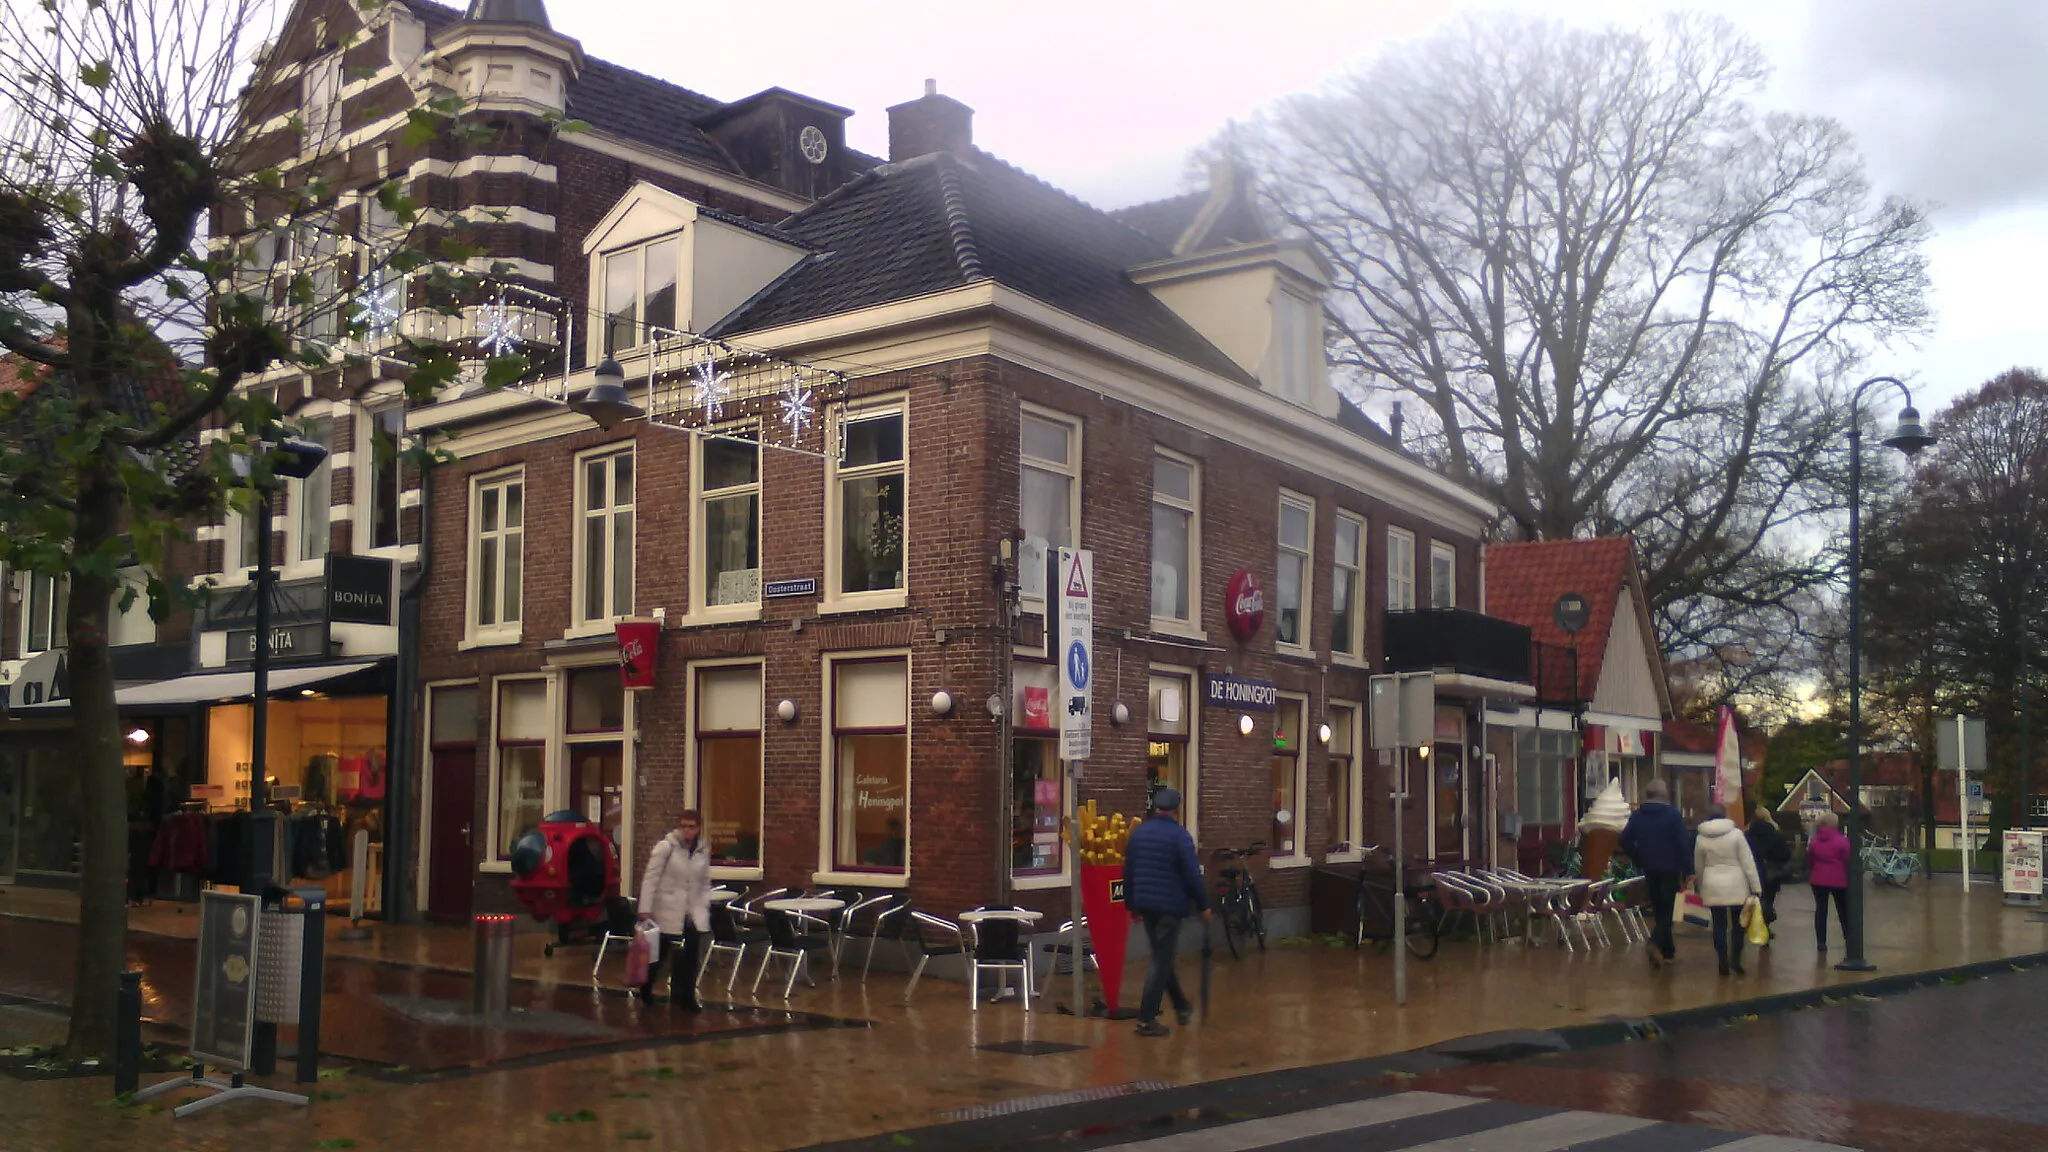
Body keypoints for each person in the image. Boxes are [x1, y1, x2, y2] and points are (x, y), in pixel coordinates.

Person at [1120, 787, 1209, 1037]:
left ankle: (1181, 1007)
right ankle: (1146, 1019)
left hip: (1145, 905)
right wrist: (1204, 904)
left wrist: (1131, 905)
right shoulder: (1180, 836)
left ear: (1155, 807)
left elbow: (1128, 871)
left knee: (1162, 955)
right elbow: (1191, 874)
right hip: (1170, 906)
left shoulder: (1138, 834)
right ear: (1176, 810)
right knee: (1161, 960)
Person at [636, 808, 713, 1009]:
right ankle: (646, 985)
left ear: (699, 828)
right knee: (659, 954)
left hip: (691, 911)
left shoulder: (702, 850)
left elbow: (704, 881)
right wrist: (645, 908)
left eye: (692, 827)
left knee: (691, 956)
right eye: (684, 826)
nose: (687, 830)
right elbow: (651, 878)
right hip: (667, 910)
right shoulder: (666, 847)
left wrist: (704, 905)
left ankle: (686, 997)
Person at [1620, 778, 1690, 966]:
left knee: (1658, 908)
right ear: (1664, 794)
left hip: (1649, 868)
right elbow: (1682, 844)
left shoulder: (1638, 815)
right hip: (1670, 868)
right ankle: (1654, 942)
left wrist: (1638, 857)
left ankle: (1668, 952)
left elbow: (1625, 839)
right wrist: (1688, 869)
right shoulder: (1673, 815)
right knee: (1668, 911)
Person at [1694, 804, 1763, 976]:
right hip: (1736, 883)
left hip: (1712, 883)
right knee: (1739, 923)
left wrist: (1701, 885)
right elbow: (1747, 862)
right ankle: (1736, 959)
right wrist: (1756, 887)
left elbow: (1699, 865)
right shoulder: (1736, 835)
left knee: (1718, 924)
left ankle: (1722, 961)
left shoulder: (1701, 837)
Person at [1807, 810, 1852, 955]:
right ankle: (1849, 938)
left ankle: (1821, 942)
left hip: (1818, 879)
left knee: (1821, 910)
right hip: (1838, 879)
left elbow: (1811, 859)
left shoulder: (1814, 841)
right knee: (1843, 910)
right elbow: (1847, 858)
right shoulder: (1842, 840)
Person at [1745, 809, 1792, 938]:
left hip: (1753, 872)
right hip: (1772, 873)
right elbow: (1786, 854)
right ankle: (1765, 925)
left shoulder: (1747, 835)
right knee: (1768, 899)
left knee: (1757, 899)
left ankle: (1758, 926)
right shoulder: (1775, 834)